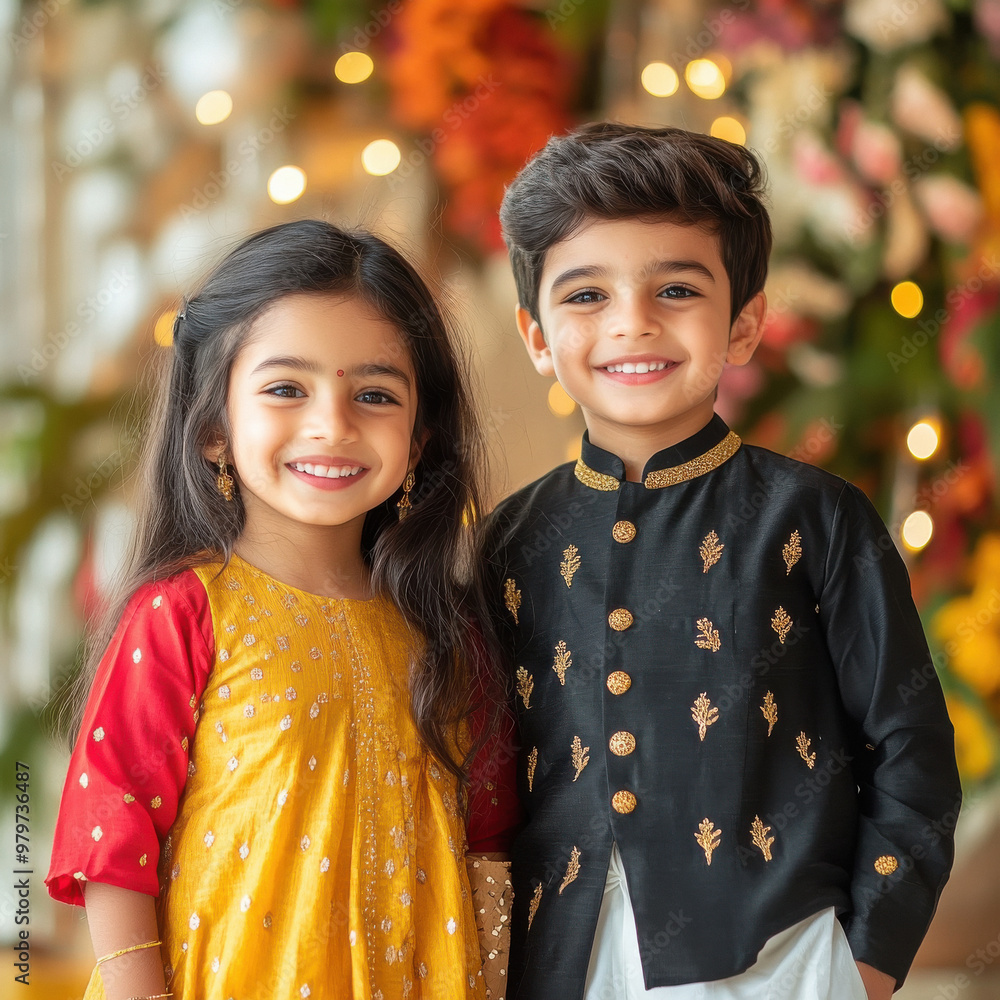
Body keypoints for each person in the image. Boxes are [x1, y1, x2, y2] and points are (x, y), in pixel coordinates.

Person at [480, 123, 961, 1000]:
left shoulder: (816, 517)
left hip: (777, 960)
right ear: (537, 335)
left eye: (675, 289)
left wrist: (866, 966)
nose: (633, 322)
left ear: (743, 323)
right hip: (557, 962)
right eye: (586, 296)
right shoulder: (509, 543)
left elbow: (911, 748)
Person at [47, 219, 512, 1000]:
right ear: (213, 431)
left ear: (422, 440)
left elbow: (489, 854)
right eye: (285, 389)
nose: (333, 425)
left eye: (374, 394)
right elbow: (109, 847)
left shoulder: (449, 634)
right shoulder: (183, 616)